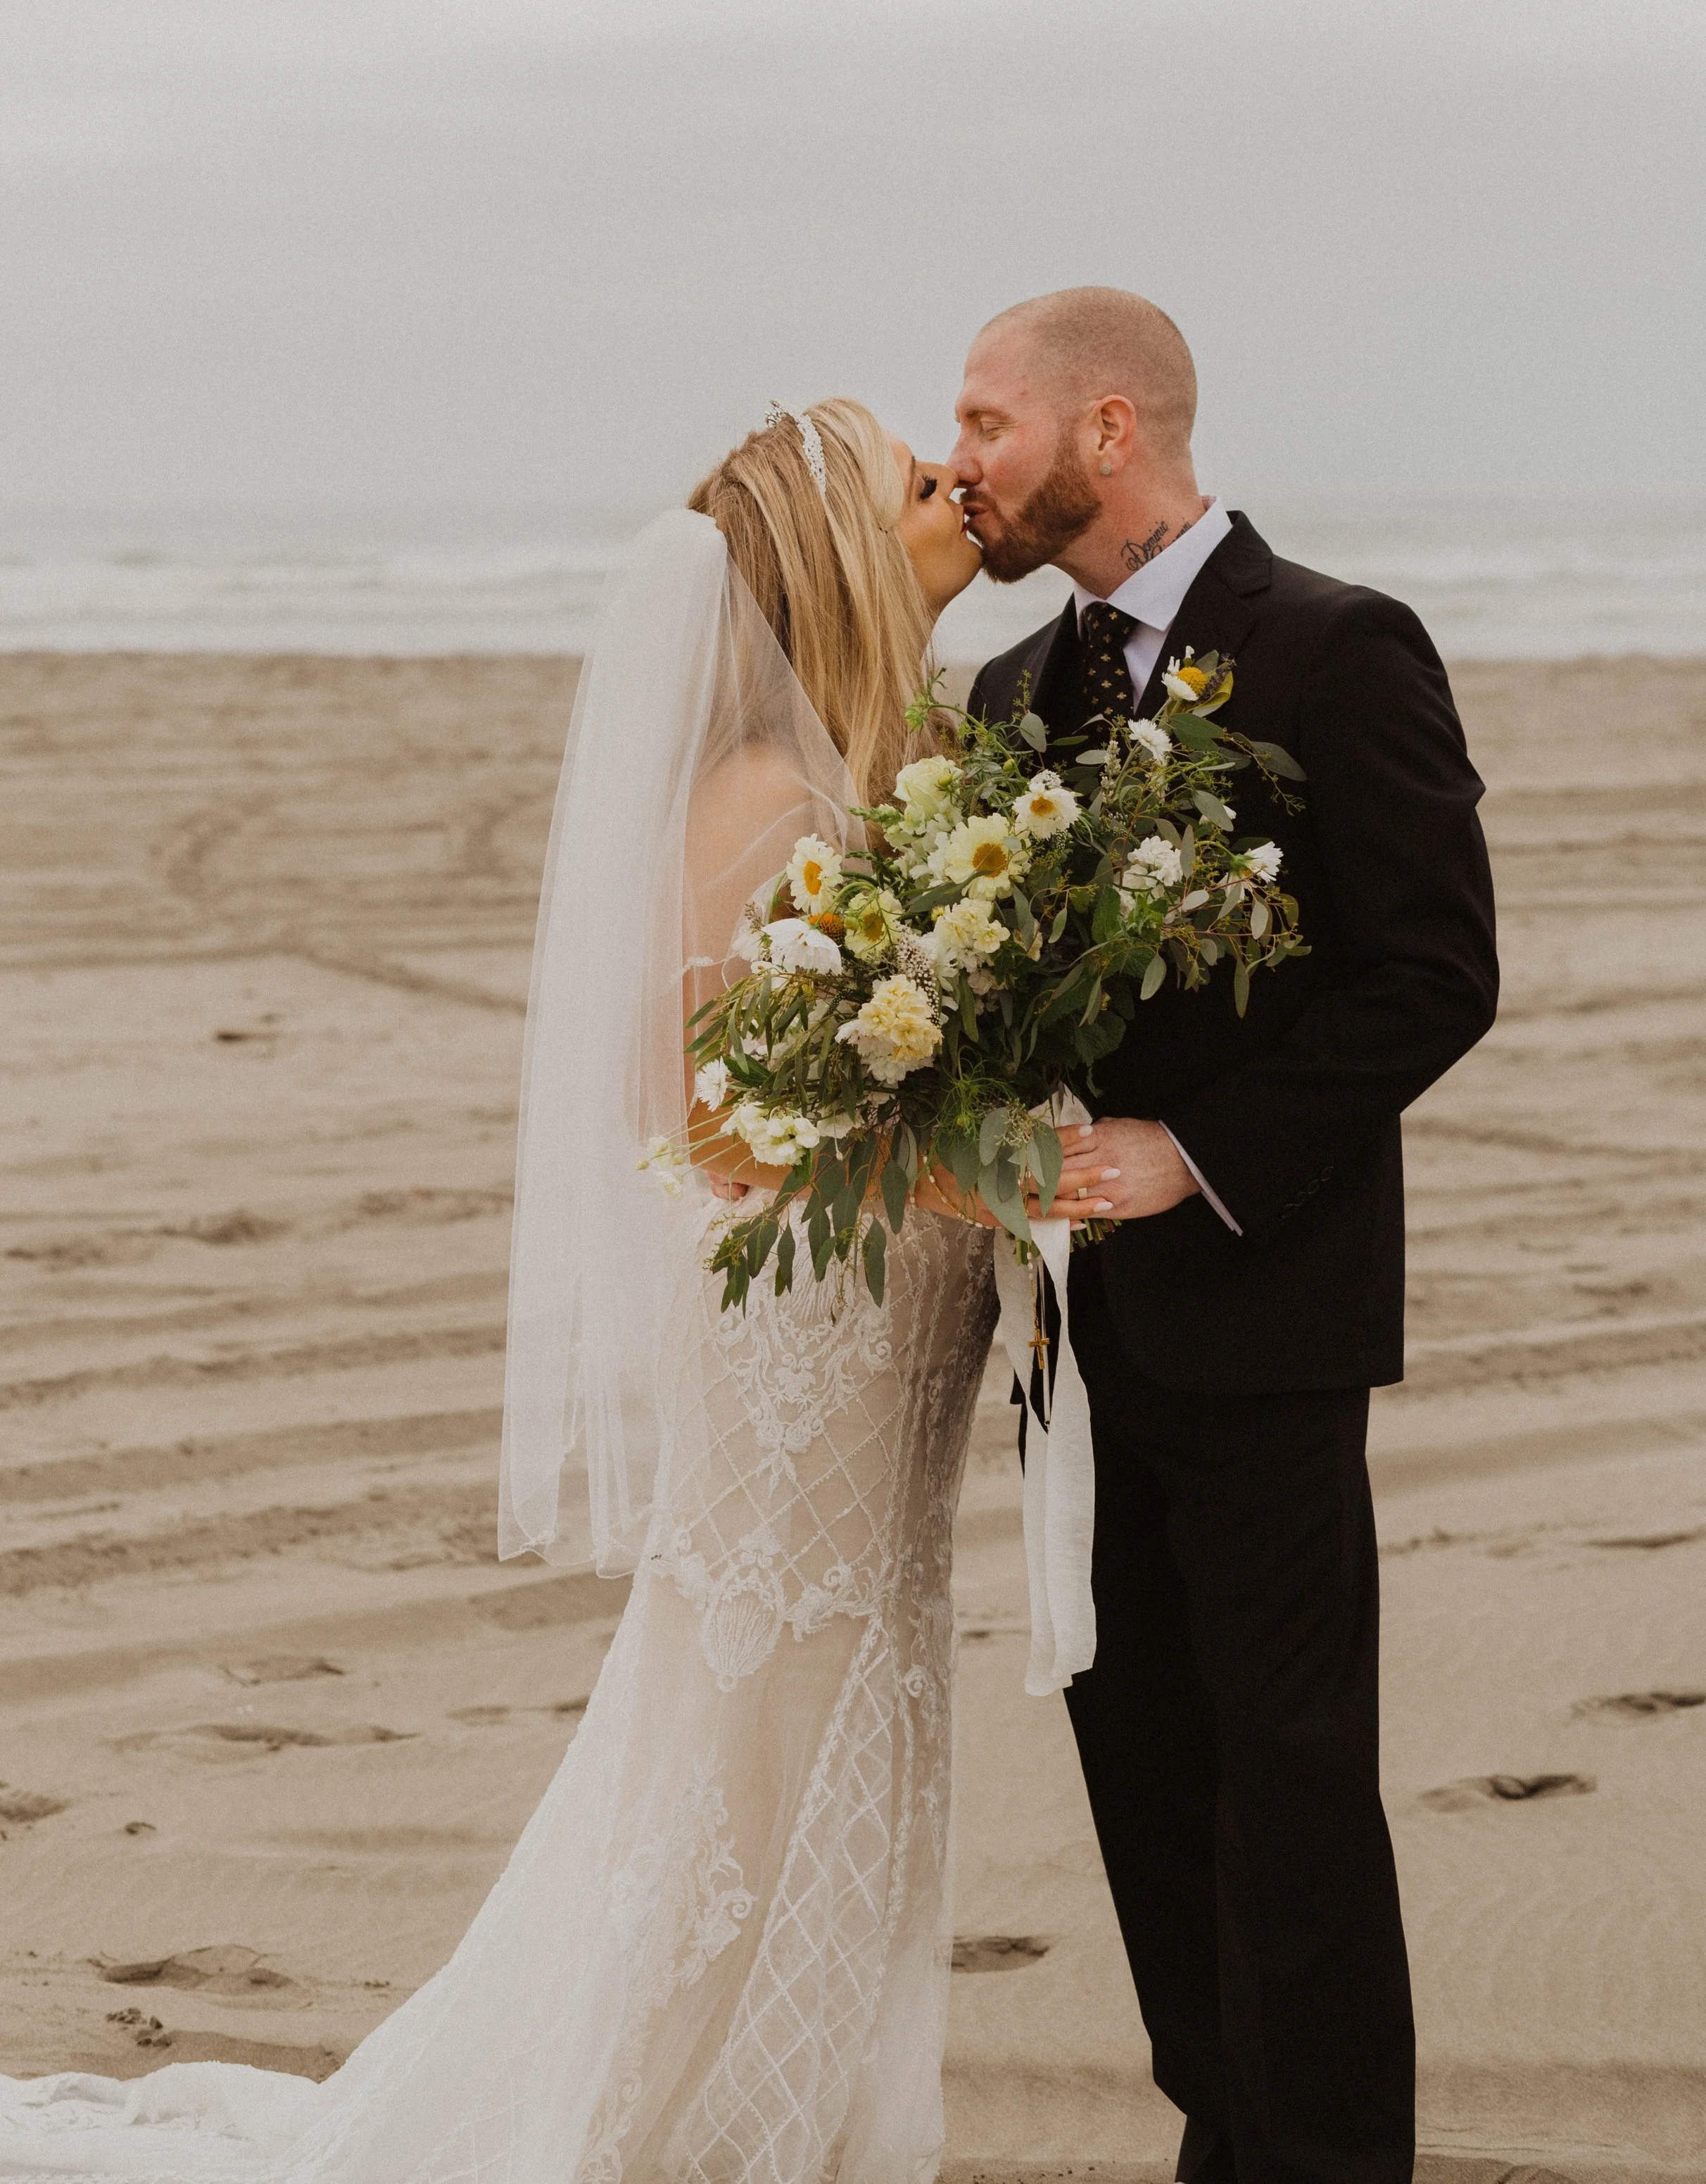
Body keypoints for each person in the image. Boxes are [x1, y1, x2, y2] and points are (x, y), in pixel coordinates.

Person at [0, 401, 1000, 2184]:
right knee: (754, 1713)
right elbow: (691, 1114)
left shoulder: (893, 765)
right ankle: (635, 2124)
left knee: (860, 1689)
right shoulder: (765, 798)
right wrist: (948, 1159)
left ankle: (804, 2106)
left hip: (890, 1324)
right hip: (803, 1332)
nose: (950, 490)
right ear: (843, 549)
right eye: (913, 483)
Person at [953, 289, 1499, 2184]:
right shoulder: (1005, 691)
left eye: (984, 422)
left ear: (1108, 429)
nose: (962, 464)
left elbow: (1434, 967)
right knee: (1143, 1765)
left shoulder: (1339, 646)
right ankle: (1225, 2130)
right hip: (1075, 1335)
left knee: (1289, 1778)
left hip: (1265, 1307)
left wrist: (1194, 1146)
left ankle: (1331, 2156)